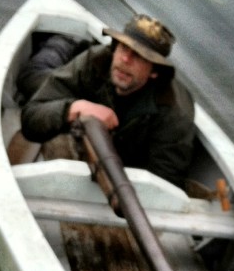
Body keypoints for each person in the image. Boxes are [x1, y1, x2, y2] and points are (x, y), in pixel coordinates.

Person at [20, 14, 195, 190]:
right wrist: (74, 109)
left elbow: (164, 186)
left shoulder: (174, 111)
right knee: (56, 138)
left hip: (129, 181)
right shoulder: (93, 63)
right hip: (84, 151)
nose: (125, 60)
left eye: (139, 56)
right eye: (123, 48)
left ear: (154, 71)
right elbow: (31, 118)